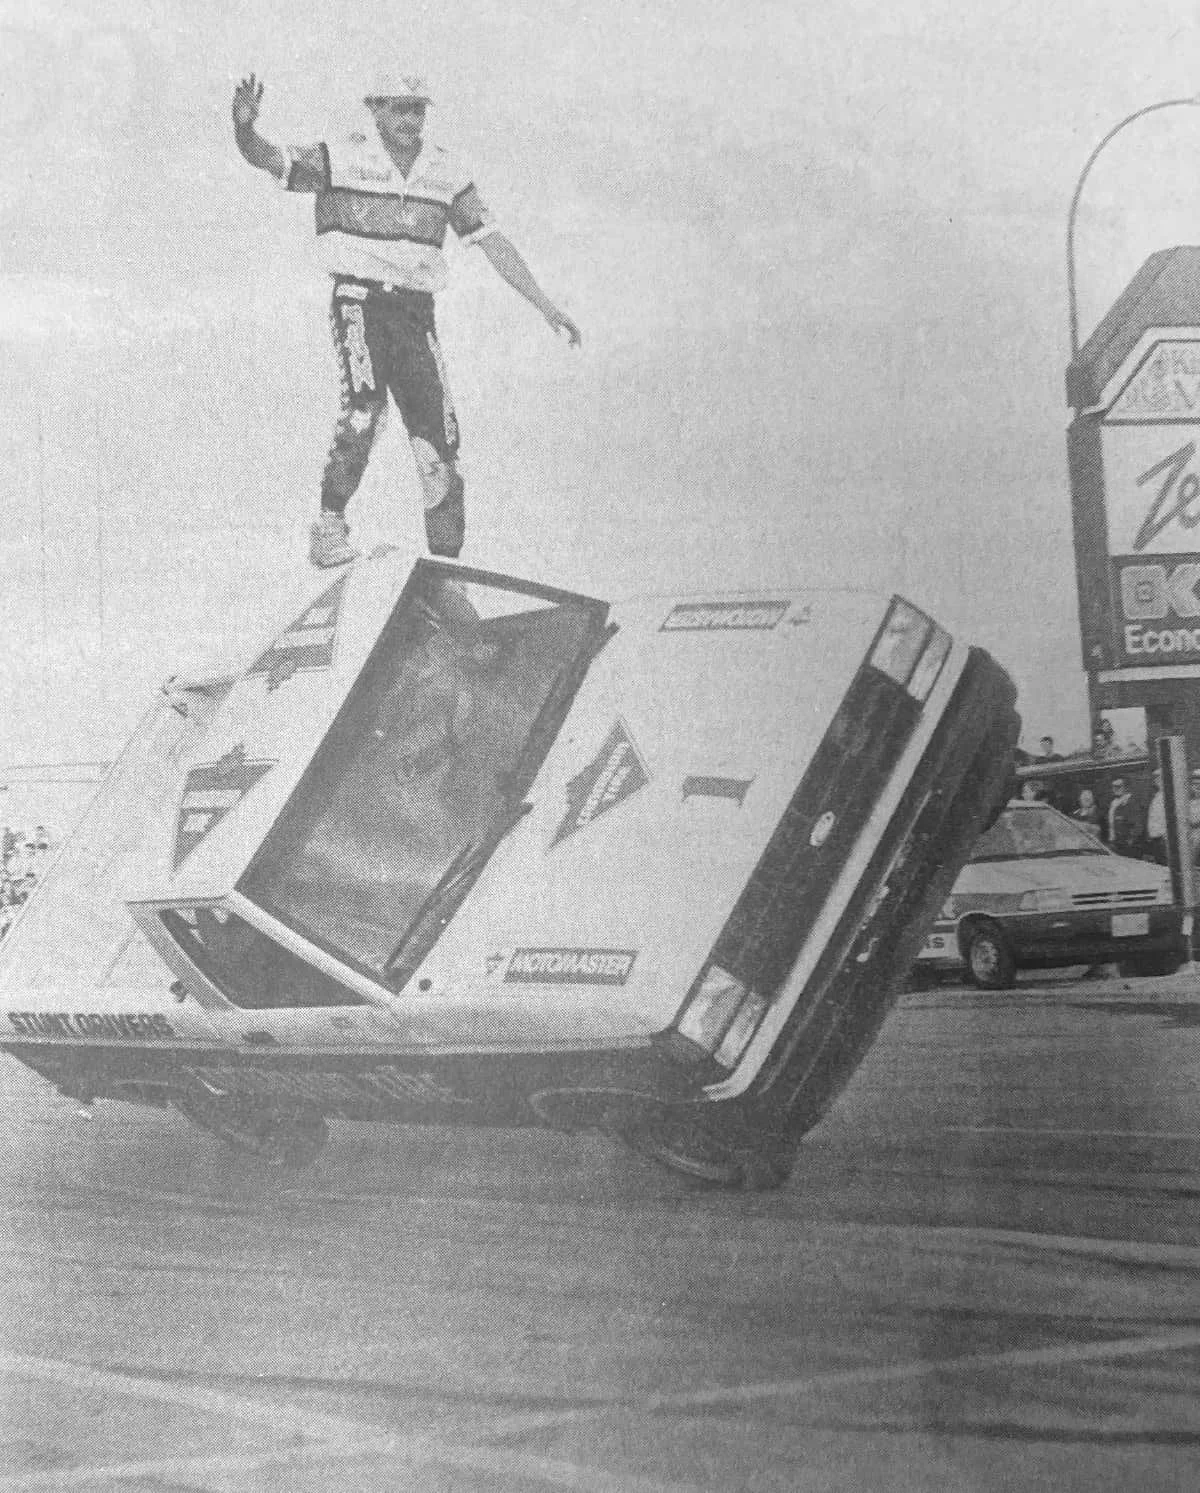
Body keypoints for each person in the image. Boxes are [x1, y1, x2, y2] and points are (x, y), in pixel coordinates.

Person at [231, 70, 581, 567]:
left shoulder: (444, 172)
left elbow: (492, 242)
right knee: (366, 410)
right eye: (399, 108)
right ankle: (329, 526)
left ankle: (447, 567)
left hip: (416, 312)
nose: (410, 119)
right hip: (360, 300)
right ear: (375, 110)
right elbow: (270, 159)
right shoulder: (343, 157)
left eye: (417, 110)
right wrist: (245, 128)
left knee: (439, 441)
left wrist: (546, 306)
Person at [1107, 777, 1142, 858]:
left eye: (1119, 786)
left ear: (1126, 787)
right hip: (1114, 843)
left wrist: (1130, 841)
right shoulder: (1113, 803)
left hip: (1127, 846)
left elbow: (1138, 825)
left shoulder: (1132, 802)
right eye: (1114, 786)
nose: (1116, 789)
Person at [1145, 769, 1167, 865]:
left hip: (1164, 838)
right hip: (1156, 837)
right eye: (1156, 779)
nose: (1157, 781)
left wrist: (1165, 834)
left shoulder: (1168, 795)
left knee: (1165, 863)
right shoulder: (1157, 795)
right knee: (1159, 863)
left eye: (1159, 778)